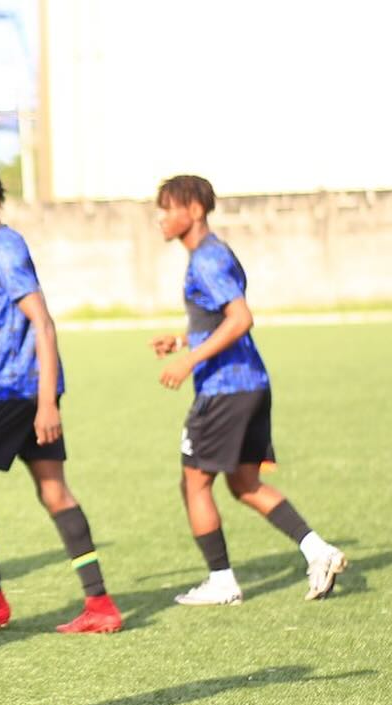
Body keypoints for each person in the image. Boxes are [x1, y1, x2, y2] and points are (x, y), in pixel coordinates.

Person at [0, 165, 122, 635]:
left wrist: (47, 404)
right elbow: (8, 337)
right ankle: (99, 604)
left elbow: (42, 322)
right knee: (54, 491)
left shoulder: (3, 250)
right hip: (20, 389)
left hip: (15, 395)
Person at [152, 175, 347, 604]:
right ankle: (319, 551)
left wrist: (189, 360)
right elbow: (219, 318)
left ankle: (222, 581)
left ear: (194, 210)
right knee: (243, 483)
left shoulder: (205, 258)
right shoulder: (215, 252)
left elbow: (240, 318)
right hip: (250, 383)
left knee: (194, 483)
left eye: (168, 208)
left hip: (225, 390)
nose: (160, 217)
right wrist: (183, 340)